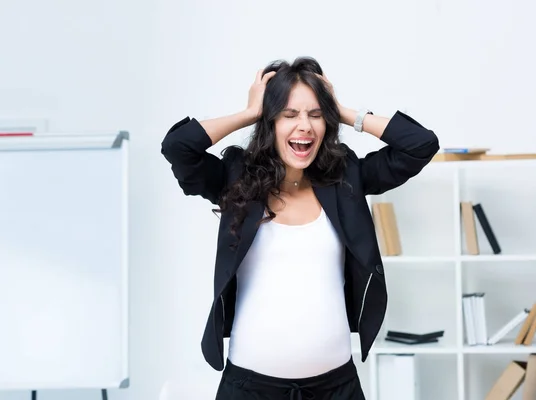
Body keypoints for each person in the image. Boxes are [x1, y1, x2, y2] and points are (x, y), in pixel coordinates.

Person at [161, 57, 439, 400]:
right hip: (250, 389)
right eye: (289, 115)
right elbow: (178, 147)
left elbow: (420, 145)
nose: (304, 126)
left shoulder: (346, 178)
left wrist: (342, 110)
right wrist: (249, 112)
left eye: (316, 114)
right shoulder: (235, 178)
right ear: (270, 121)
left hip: (336, 388)